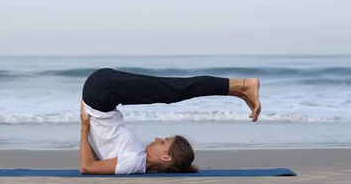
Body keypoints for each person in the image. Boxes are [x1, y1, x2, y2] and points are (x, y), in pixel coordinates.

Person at [79, 67, 261, 175]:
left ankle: (242, 86)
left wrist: (85, 127)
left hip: (102, 91)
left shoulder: (135, 161)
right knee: (171, 90)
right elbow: (95, 159)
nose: (157, 139)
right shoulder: (136, 159)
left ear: (166, 157)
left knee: (172, 90)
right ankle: (239, 90)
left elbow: (87, 167)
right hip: (101, 96)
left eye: (163, 142)